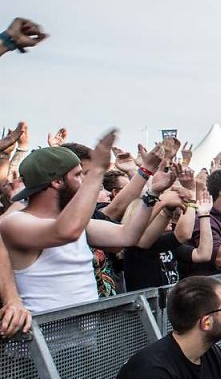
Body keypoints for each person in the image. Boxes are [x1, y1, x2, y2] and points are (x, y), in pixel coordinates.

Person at [0, 130, 176, 312]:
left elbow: (127, 235)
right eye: (78, 175)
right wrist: (97, 171)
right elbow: (65, 232)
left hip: (87, 337)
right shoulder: (16, 222)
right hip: (44, 337)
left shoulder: (78, 224)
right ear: (57, 182)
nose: (84, 181)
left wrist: (153, 193)